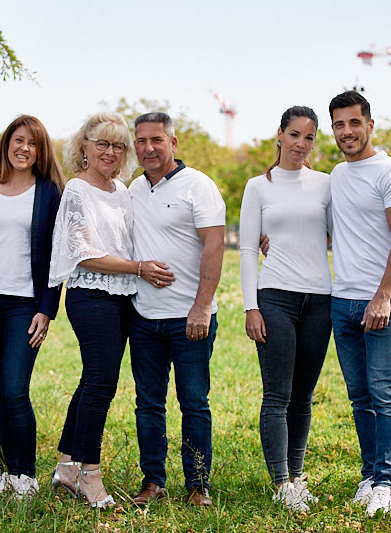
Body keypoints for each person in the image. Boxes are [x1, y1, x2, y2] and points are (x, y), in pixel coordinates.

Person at [47, 112, 174, 508]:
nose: (110, 152)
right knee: (102, 385)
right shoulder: (76, 191)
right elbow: (84, 255)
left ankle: (67, 466)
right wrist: (138, 268)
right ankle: (90, 474)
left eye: (118, 145)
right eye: (102, 143)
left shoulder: (123, 190)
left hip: (124, 300)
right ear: (83, 147)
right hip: (92, 297)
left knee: (92, 381)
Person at [128, 112, 226, 507]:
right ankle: (153, 481)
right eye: (141, 141)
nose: (148, 148)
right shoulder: (132, 188)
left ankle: (198, 484)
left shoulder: (198, 186)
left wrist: (202, 307)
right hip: (143, 316)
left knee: (194, 402)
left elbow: (215, 246)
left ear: (173, 142)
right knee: (148, 402)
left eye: (156, 140)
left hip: (190, 318)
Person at [328, 91, 391, 517]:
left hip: (385, 303)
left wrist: (382, 296)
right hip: (341, 302)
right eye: (339, 125)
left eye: (353, 123)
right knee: (359, 396)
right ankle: (368, 476)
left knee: (385, 395)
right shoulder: (336, 176)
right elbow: (338, 233)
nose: (347, 132)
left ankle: (387, 483)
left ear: (369, 124)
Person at [239, 106, 332, 511]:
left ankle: (297, 476)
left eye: (309, 137)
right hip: (274, 296)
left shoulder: (328, 185)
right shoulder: (258, 187)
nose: (301, 144)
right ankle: (281, 485)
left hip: (320, 300)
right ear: (279, 135)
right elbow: (245, 248)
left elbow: (338, 234)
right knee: (277, 394)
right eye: (294, 135)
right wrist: (250, 306)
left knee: (304, 396)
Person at [0, 115, 65, 499]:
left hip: (25, 305)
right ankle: (9, 475)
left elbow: (59, 255)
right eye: (18, 140)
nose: (24, 148)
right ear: (6, 143)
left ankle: (27, 476)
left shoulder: (49, 192)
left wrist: (47, 308)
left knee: (14, 390)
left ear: (41, 151)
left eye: (33, 143)